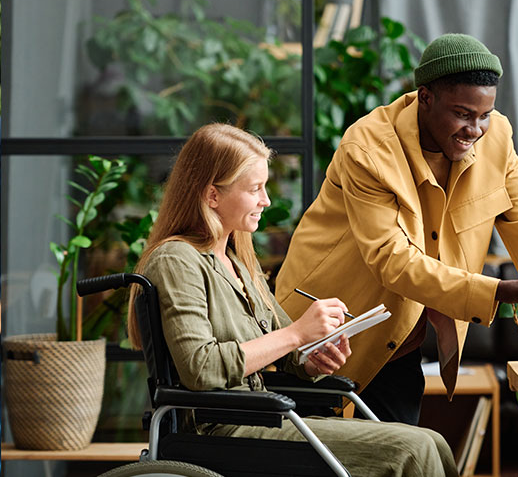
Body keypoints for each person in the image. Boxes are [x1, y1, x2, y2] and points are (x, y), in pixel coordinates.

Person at [275, 33, 518, 425]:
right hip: (316, 336)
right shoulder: (368, 149)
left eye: (484, 115)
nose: (474, 129)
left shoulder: (497, 139)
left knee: (403, 461)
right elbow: (392, 261)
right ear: (426, 98)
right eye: (462, 114)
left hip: (396, 343)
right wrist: (501, 291)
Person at [126, 123, 458, 477]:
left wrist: (313, 358)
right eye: (255, 188)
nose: (265, 200)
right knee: (415, 449)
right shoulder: (177, 260)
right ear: (212, 196)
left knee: (432, 441)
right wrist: (298, 334)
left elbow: (288, 350)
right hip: (222, 428)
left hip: (263, 416)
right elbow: (201, 368)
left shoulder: (238, 262)